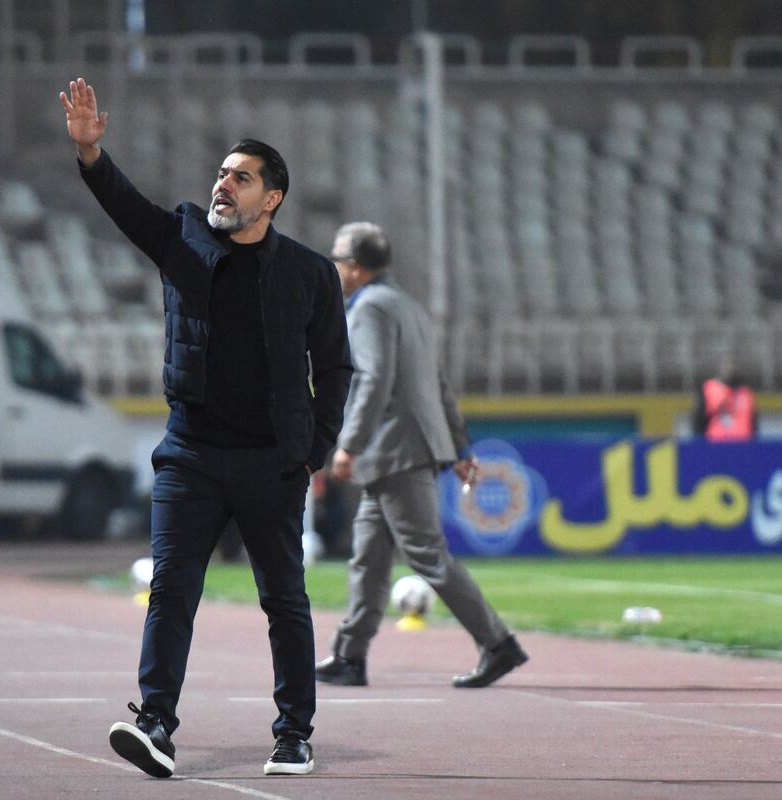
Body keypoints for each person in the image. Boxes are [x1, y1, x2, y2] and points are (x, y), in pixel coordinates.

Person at [60, 78, 352, 778]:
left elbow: (336, 369)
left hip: (271, 462)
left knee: (284, 600)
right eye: (222, 173)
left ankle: (294, 734)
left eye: (241, 178)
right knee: (171, 590)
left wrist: (312, 451)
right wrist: (91, 153)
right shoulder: (182, 238)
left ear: (271, 199)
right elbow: (125, 205)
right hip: (190, 455)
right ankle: (155, 723)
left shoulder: (310, 273)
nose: (223, 184)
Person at [316, 222, 528, 690]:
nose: (334, 267)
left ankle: (498, 644)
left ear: (355, 266)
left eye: (337, 259)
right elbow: (438, 383)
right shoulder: (408, 306)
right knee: (368, 558)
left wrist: (350, 444)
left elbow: (373, 380)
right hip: (406, 448)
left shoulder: (368, 309)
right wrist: (459, 446)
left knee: (428, 555)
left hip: (394, 449)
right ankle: (349, 655)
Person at [692, 353, 758, 442]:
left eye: (735, 365)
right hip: (715, 444)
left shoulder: (745, 393)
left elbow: (754, 422)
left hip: (742, 444)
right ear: (721, 367)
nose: (732, 369)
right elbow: (698, 420)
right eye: (728, 365)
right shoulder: (709, 389)